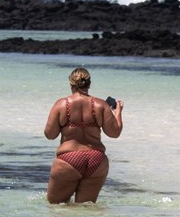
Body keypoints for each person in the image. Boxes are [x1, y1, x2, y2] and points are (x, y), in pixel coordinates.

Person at [42, 67, 124, 203]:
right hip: (96, 160)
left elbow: (50, 135)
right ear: (89, 84)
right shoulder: (101, 105)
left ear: (71, 84)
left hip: (68, 159)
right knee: (86, 210)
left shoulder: (62, 104)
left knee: (56, 208)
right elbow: (114, 133)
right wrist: (118, 112)